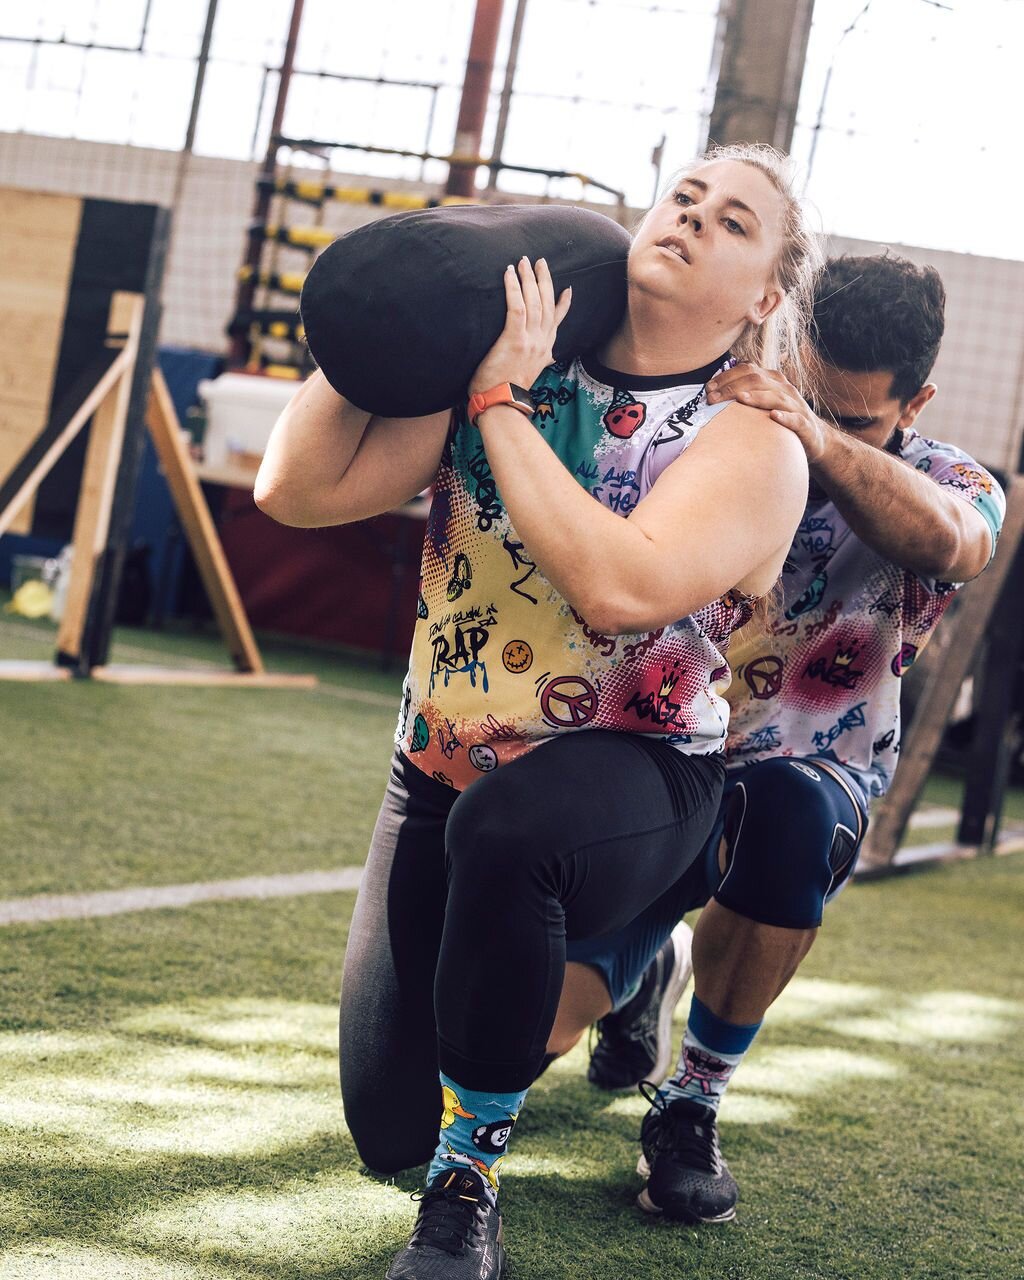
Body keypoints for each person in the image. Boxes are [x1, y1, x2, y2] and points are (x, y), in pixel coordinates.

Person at [255, 143, 820, 1280]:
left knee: (509, 834)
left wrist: (497, 401)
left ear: (763, 295)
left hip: (638, 774)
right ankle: (629, 976)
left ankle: (465, 1191)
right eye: (684, 199)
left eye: (734, 222)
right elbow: (296, 489)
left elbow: (620, 585)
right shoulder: (514, 359)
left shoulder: (751, 439)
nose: (695, 219)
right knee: (385, 1128)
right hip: (442, 761)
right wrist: (398, 326)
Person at [549, 252, 1006, 1227]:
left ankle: (693, 1097)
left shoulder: (945, 479)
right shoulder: (719, 427)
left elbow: (953, 543)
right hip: (654, 749)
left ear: (915, 402)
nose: (819, 426)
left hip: (811, 764)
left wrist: (817, 434)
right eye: (809, 395)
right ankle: (649, 969)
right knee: (519, 1036)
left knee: (793, 817)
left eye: (857, 418)